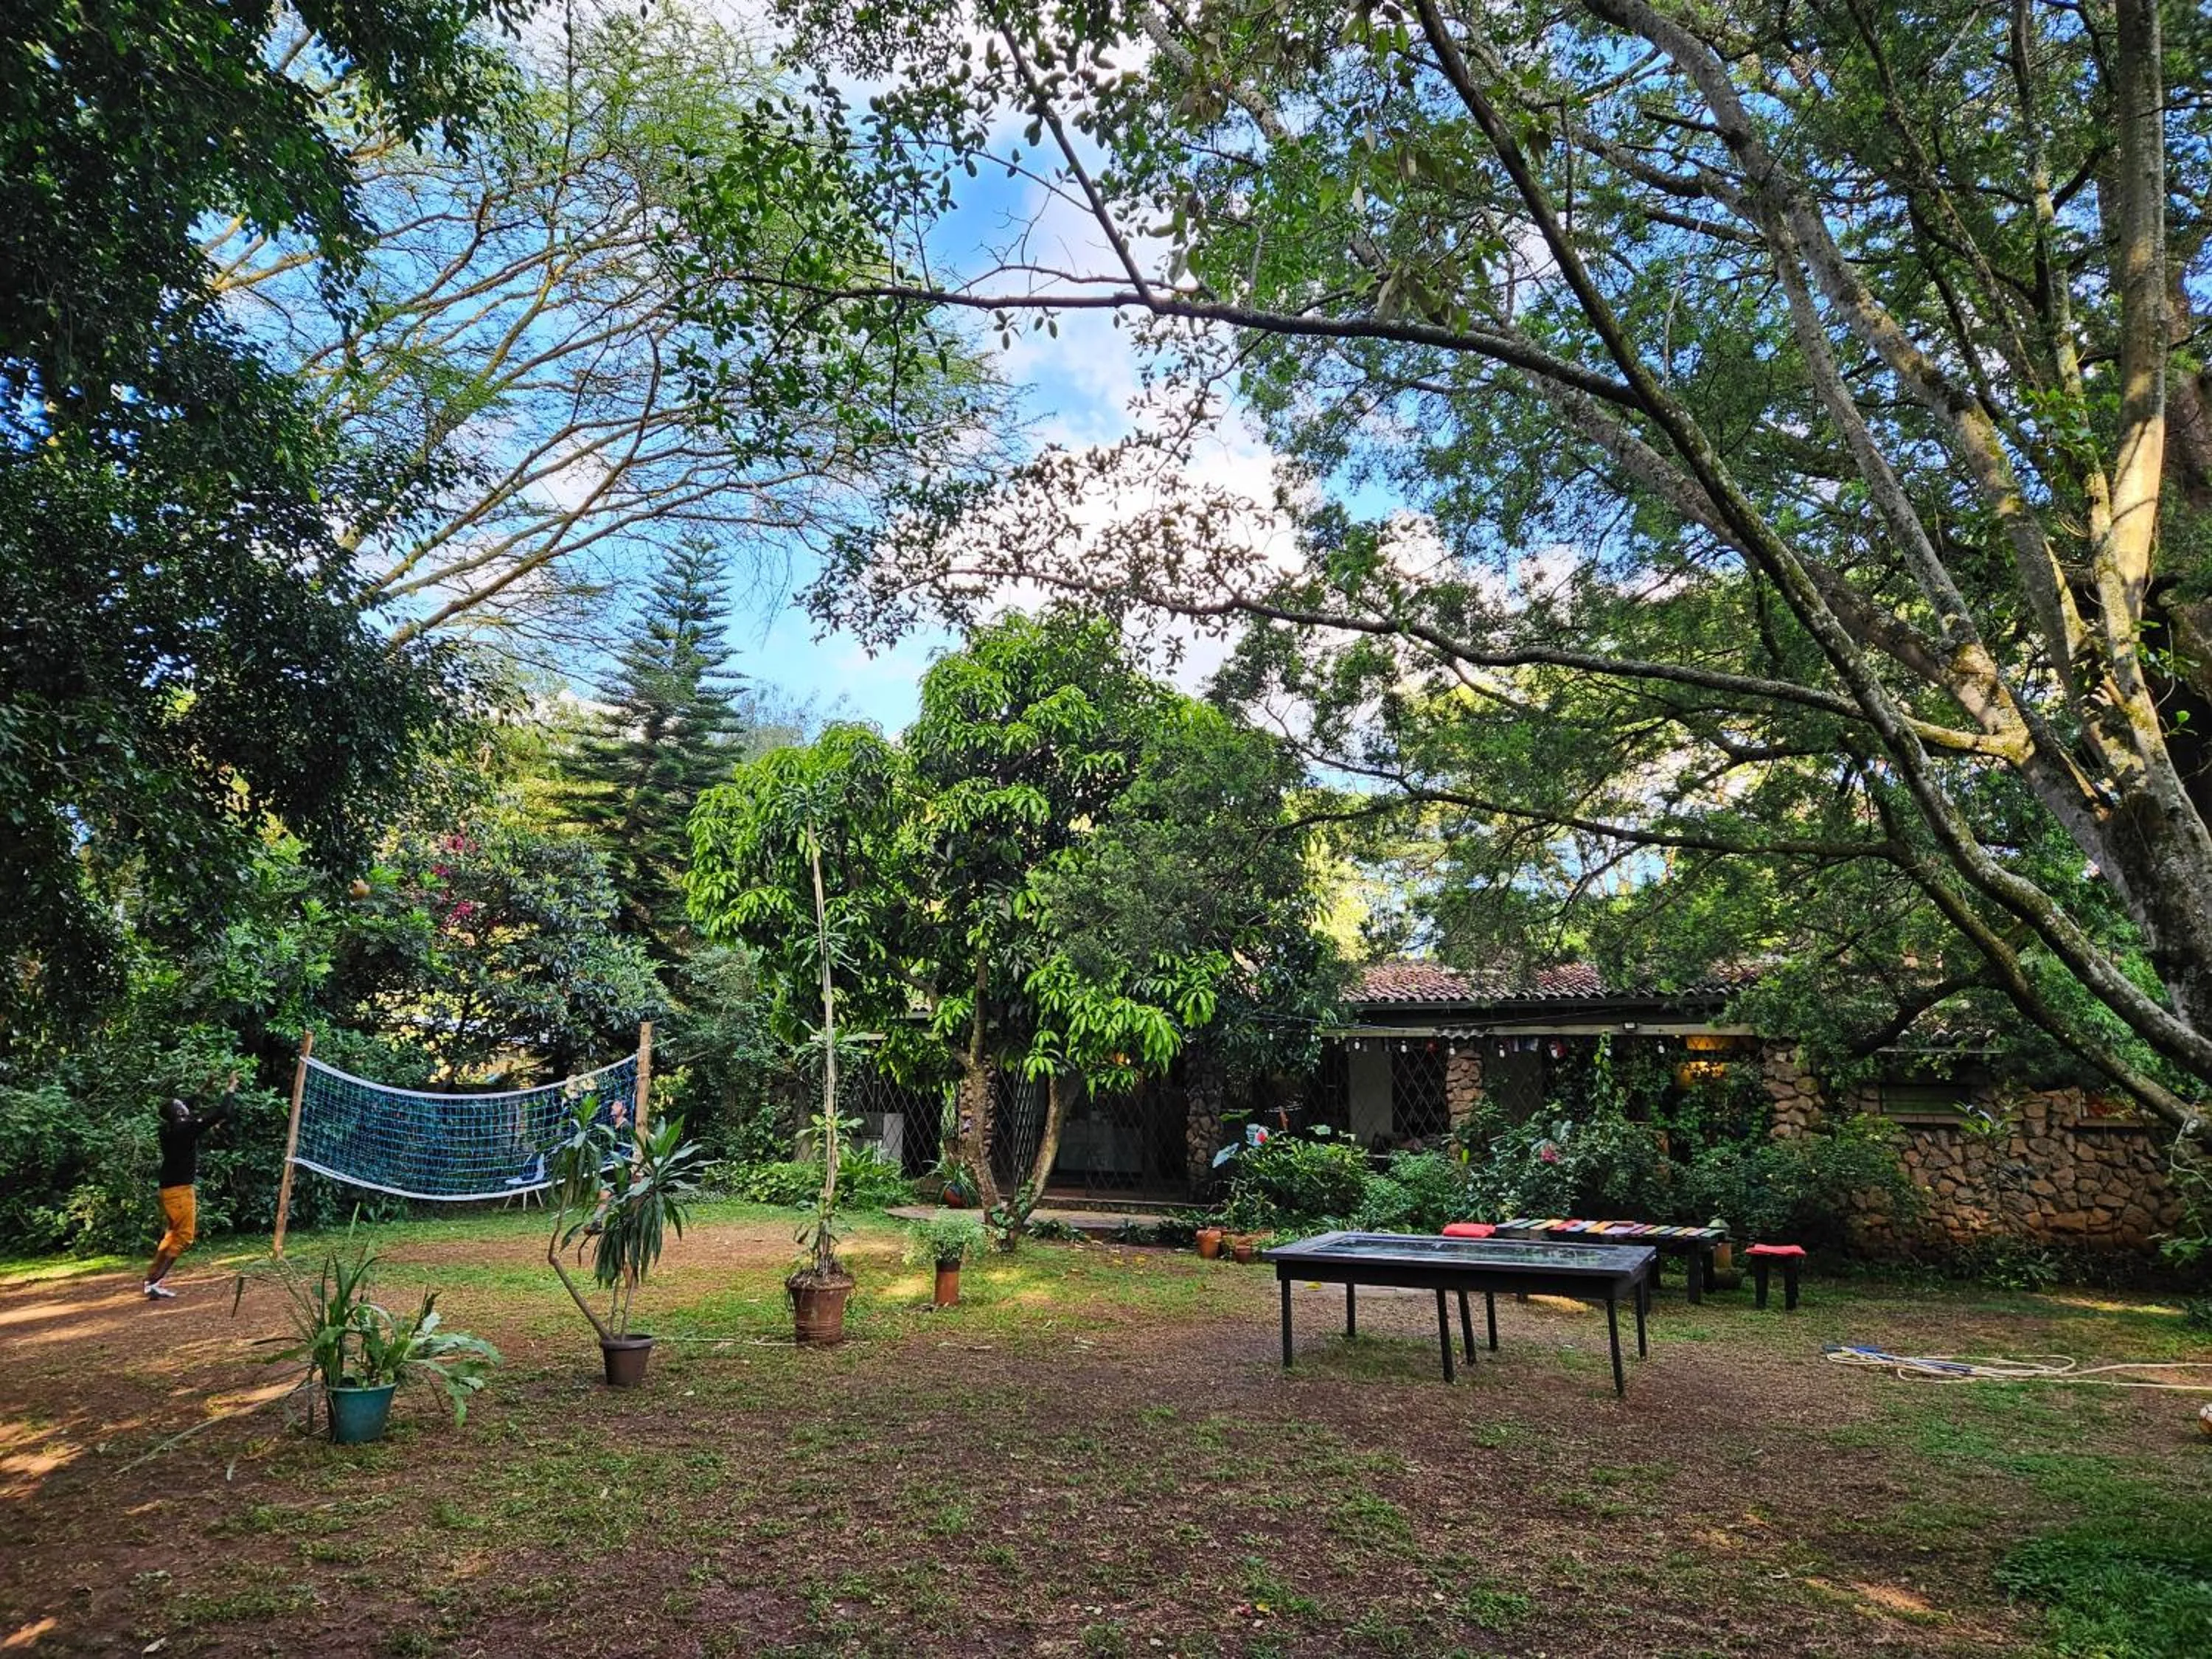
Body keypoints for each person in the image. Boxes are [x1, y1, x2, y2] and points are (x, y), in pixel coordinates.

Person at [145, 1071, 237, 1301]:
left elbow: (188, 1102)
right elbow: (221, 1112)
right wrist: (231, 1088)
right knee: (184, 1237)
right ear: (179, 1112)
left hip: (169, 1188)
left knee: (172, 1234)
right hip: (180, 1190)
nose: (186, 1105)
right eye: (181, 1105)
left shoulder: (168, 1127)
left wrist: (206, 1086)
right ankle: (155, 1282)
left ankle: (152, 1279)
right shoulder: (185, 1129)